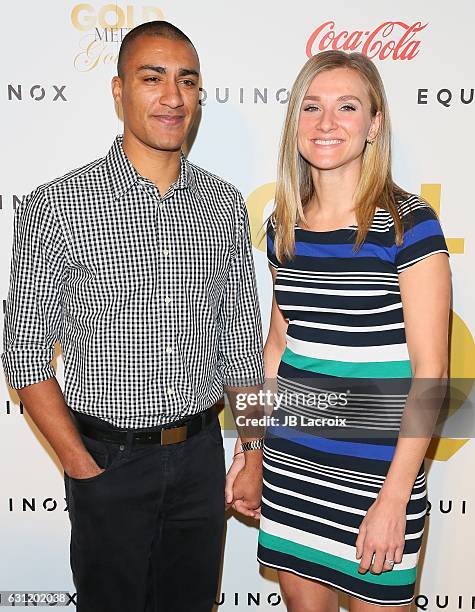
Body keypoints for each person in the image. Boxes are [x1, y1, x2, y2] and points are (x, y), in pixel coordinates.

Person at [2, 21, 264, 612]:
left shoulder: (223, 205)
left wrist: (251, 448)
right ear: (119, 91)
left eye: (186, 80)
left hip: (200, 460)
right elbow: (23, 354)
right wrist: (81, 467)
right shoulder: (57, 206)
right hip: (108, 461)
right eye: (152, 78)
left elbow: (243, 343)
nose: (172, 96)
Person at [227, 50, 450, 610]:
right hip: (293, 467)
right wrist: (251, 451)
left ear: (374, 124)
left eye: (347, 107)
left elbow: (432, 373)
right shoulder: (285, 222)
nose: (326, 123)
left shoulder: (407, 224)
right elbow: (276, 347)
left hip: (378, 479)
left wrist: (395, 497)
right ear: (294, 123)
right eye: (311, 107)